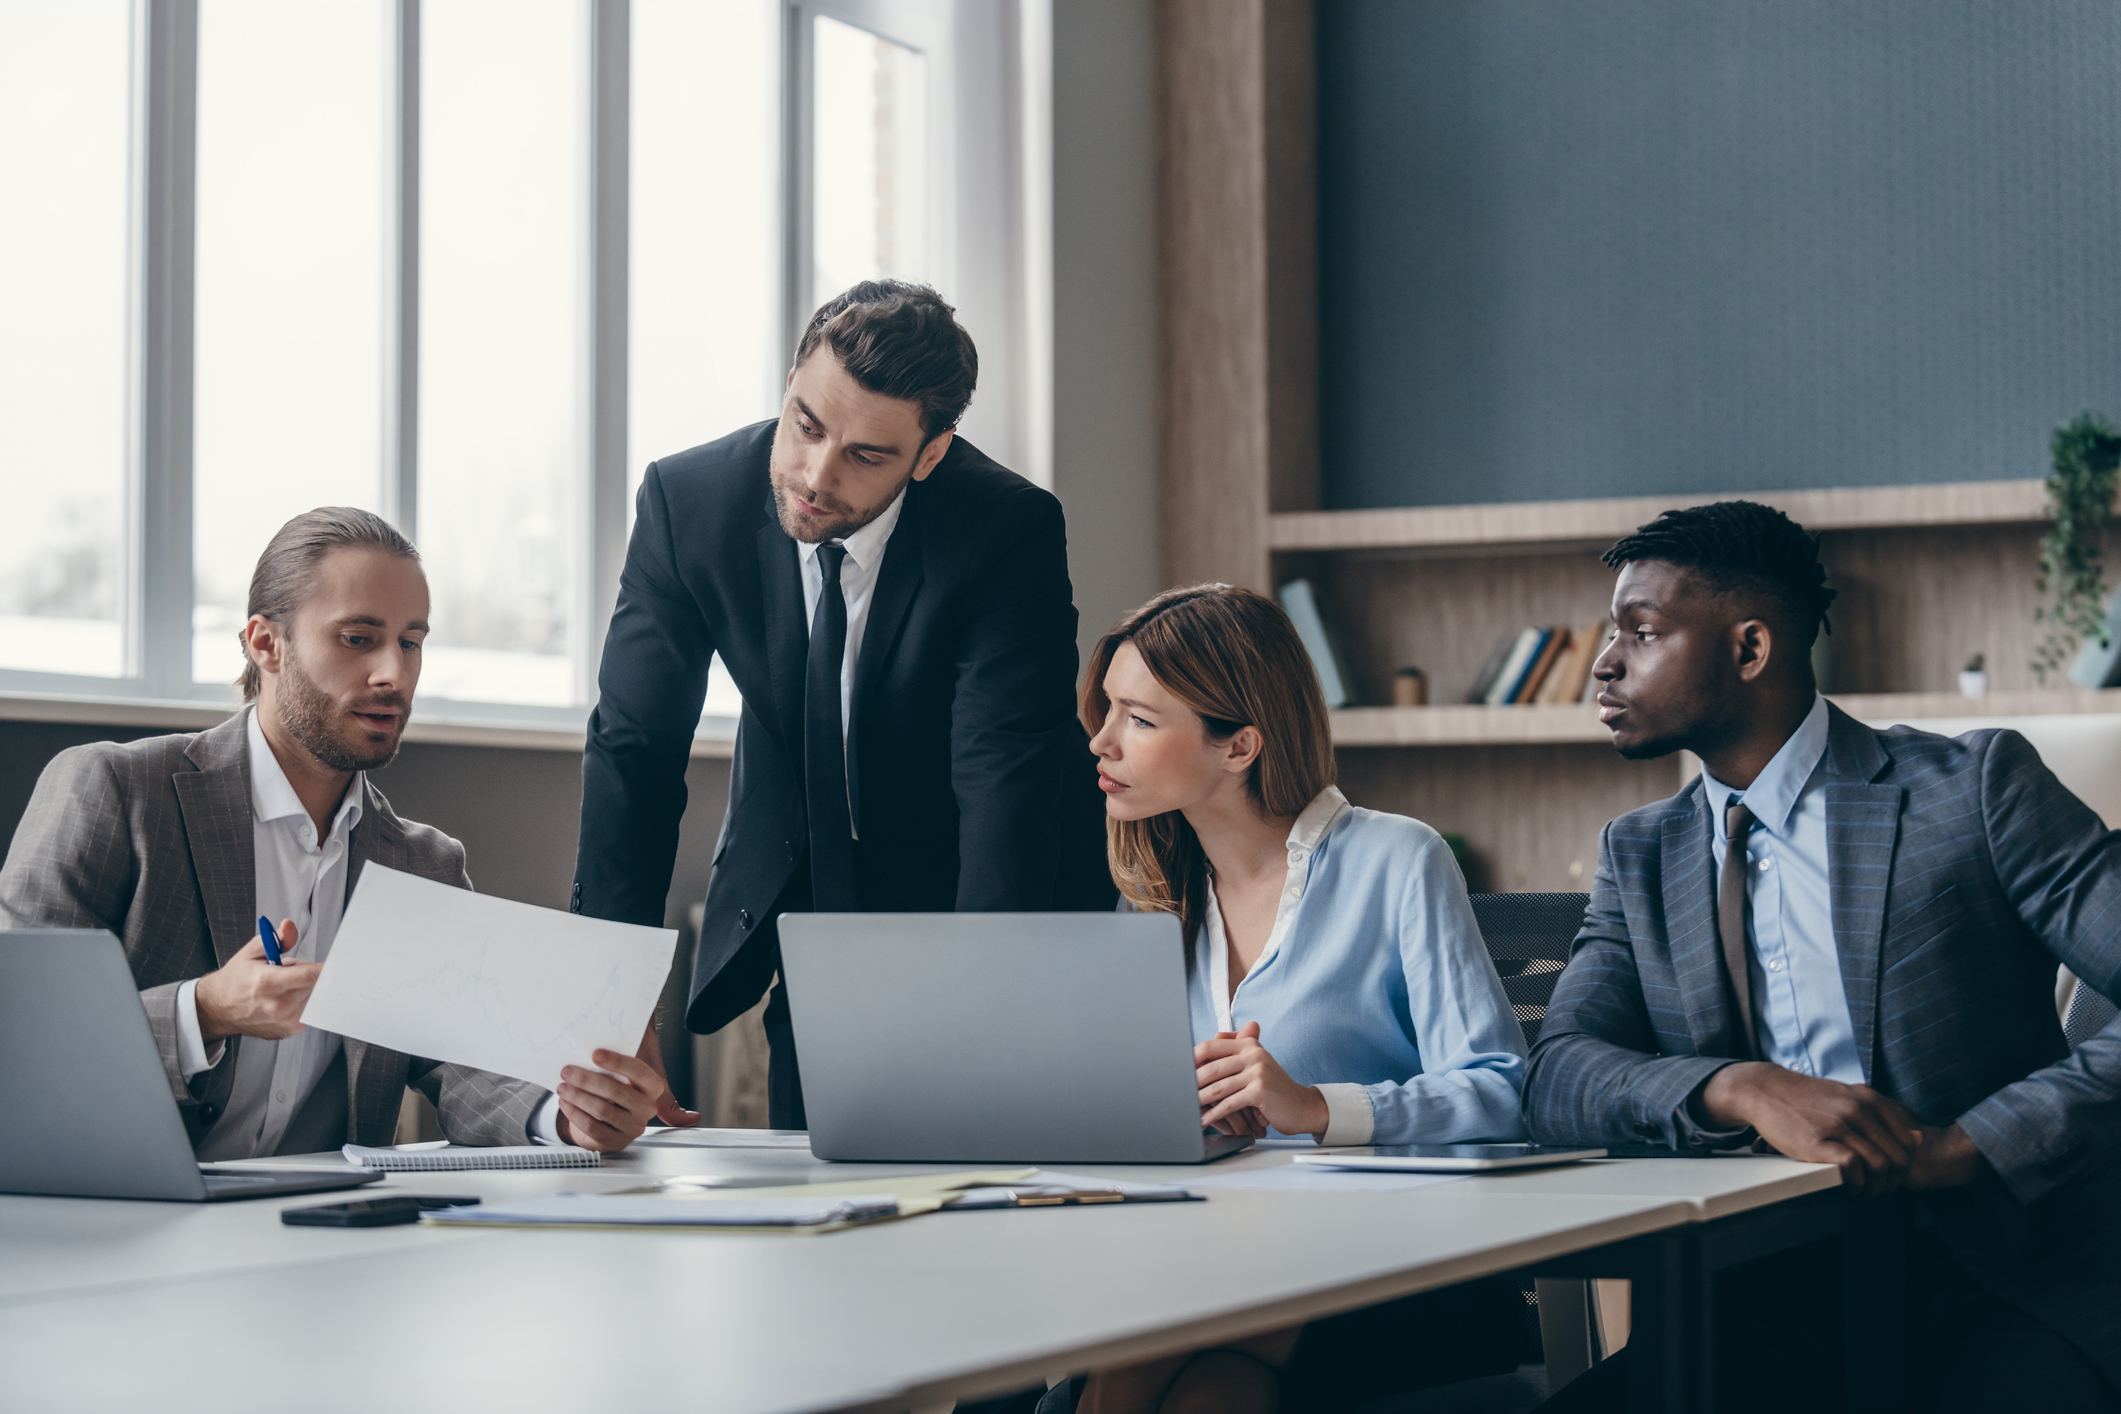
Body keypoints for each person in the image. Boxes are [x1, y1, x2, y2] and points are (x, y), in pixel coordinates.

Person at [1528, 501, 2121, 1409]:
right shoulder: (1637, 852)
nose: (1605, 663)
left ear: (1750, 648)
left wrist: (1965, 1146)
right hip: (1760, 1290)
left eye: (1640, 633)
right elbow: (1559, 1073)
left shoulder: (1973, 791)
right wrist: (1739, 1086)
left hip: (1997, 1280)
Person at [573, 280, 1108, 1130]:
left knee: (989, 1189)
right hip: (815, 905)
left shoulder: (1006, 529)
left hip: (986, 892)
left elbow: (1002, 773)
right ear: (789, 385)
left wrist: (992, 1006)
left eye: (866, 456)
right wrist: (603, 1002)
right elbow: (634, 753)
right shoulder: (690, 504)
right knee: (817, 1188)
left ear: (929, 455)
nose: (815, 477)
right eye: (806, 426)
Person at [0, 508, 667, 1157]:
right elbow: (20, 1027)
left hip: (326, 1231)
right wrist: (202, 1011)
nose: (394, 674)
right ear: (266, 643)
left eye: (411, 642)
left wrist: (569, 1116)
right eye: (358, 639)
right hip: (115, 1223)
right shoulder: (114, 792)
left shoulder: (424, 862)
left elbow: (465, 1064)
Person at [1061, 583, 1531, 1414]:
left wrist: (1314, 1107)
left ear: (1237, 745)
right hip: (1204, 1256)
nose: (1099, 740)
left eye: (1137, 719)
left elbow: (1501, 1088)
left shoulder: (1397, 859)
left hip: (1393, 1266)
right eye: (1106, 711)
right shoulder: (1152, 894)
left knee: (1158, 1379)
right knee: (1163, 1380)